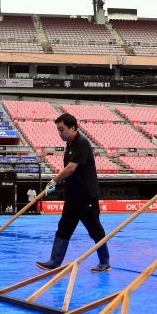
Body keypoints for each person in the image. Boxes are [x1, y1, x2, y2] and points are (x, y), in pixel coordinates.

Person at [36, 113, 110, 273]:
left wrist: (53, 181)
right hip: (72, 196)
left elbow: (70, 169)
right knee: (64, 228)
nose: (59, 133)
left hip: (86, 196)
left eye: (62, 129)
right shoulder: (70, 145)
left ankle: (104, 262)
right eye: (58, 130)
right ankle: (54, 261)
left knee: (95, 229)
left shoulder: (82, 143)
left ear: (73, 128)